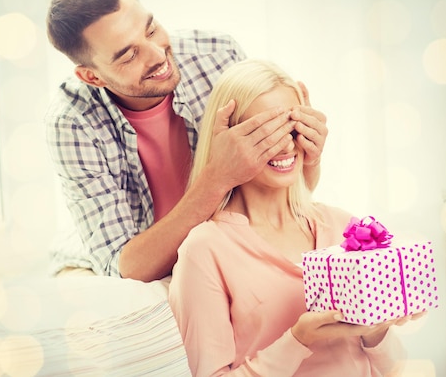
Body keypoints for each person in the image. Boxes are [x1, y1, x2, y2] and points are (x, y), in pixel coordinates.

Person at [44, 0, 328, 281]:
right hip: (121, 257)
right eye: (129, 55)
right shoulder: (72, 121)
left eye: (151, 29)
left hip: (218, 235)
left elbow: (276, 193)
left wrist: (308, 154)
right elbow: (127, 267)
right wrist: (216, 179)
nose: (157, 55)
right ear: (92, 77)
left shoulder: (217, 55)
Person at [169, 59, 413, 376]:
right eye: (264, 132)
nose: (286, 144)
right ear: (229, 143)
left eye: (292, 125)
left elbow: (396, 370)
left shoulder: (345, 227)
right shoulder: (205, 249)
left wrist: (376, 330)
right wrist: (299, 340)